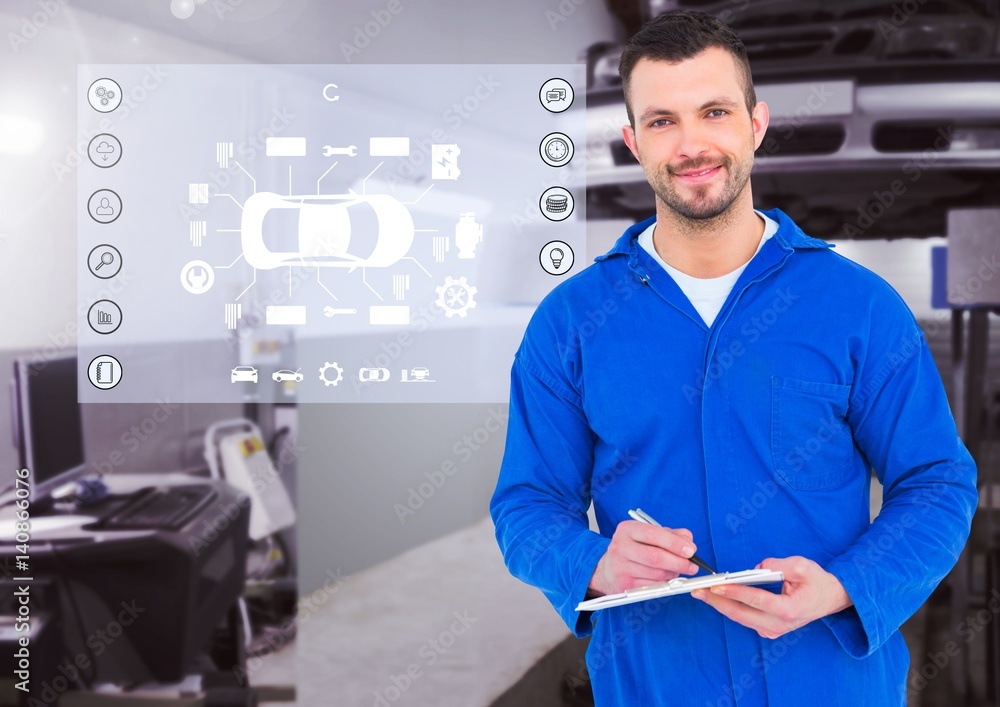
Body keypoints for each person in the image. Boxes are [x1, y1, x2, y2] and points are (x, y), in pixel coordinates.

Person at [489, 9, 977, 706]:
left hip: (830, 682)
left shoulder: (858, 306)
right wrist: (593, 560)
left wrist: (844, 585)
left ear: (756, 123)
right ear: (632, 141)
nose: (691, 143)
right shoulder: (571, 323)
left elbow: (937, 482)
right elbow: (527, 505)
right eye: (662, 121)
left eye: (714, 111)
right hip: (654, 685)